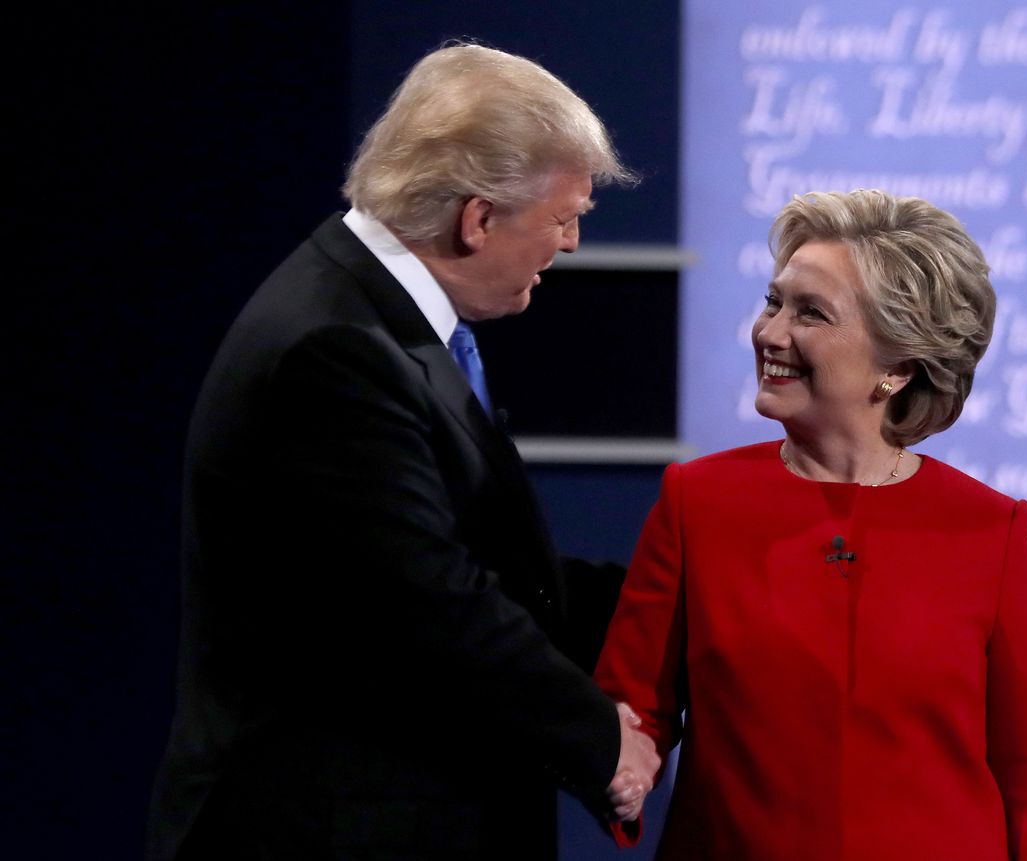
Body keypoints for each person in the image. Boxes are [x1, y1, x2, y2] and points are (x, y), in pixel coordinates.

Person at [146, 43, 659, 861]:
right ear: (479, 217)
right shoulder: (335, 350)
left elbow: (482, 568)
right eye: (565, 218)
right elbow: (430, 604)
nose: (567, 245)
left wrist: (674, 610)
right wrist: (599, 738)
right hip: (323, 830)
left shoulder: (374, 314)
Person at [595, 190, 1027, 859]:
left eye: (811, 314)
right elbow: (634, 707)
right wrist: (625, 760)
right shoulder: (698, 501)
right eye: (774, 302)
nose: (770, 333)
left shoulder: (990, 530)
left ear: (896, 367)